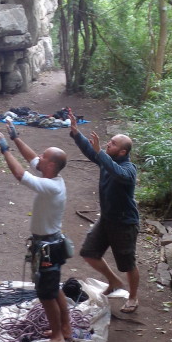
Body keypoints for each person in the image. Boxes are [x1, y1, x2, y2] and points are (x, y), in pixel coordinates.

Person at [0, 124, 71, 342]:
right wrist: (16, 139)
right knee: (54, 288)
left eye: (44, 156)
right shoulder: (53, 177)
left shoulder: (50, 186)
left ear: (51, 165)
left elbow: (20, 174)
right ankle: (64, 327)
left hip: (48, 247)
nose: (39, 157)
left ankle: (58, 336)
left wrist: (5, 150)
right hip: (49, 243)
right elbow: (31, 159)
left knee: (46, 294)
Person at [68, 110, 140, 313]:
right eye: (110, 141)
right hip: (107, 219)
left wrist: (100, 152)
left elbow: (117, 173)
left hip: (125, 223)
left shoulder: (128, 169)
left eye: (113, 144)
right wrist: (76, 133)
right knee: (89, 253)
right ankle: (114, 281)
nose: (109, 144)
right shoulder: (107, 160)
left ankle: (133, 297)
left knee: (127, 264)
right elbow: (92, 152)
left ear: (122, 152)